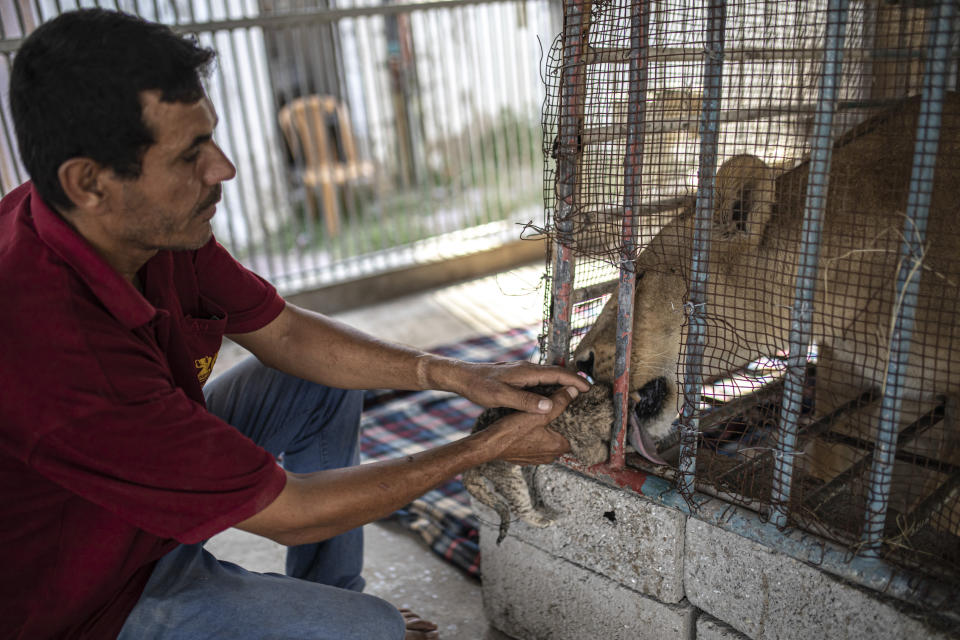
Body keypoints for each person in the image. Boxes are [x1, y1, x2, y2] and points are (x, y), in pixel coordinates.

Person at [0, 8, 590, 640]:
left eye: (213, 139)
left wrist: (456, 374)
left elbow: (283, 334)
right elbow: (291, 512)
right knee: (374, 632)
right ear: (88, 182)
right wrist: (486, 448)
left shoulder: (142, 226)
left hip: (143, 502)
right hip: (90, 595)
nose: (223, 169)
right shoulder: (56, 349)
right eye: (190, 156)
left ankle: (322, 598)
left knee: (319, 380)